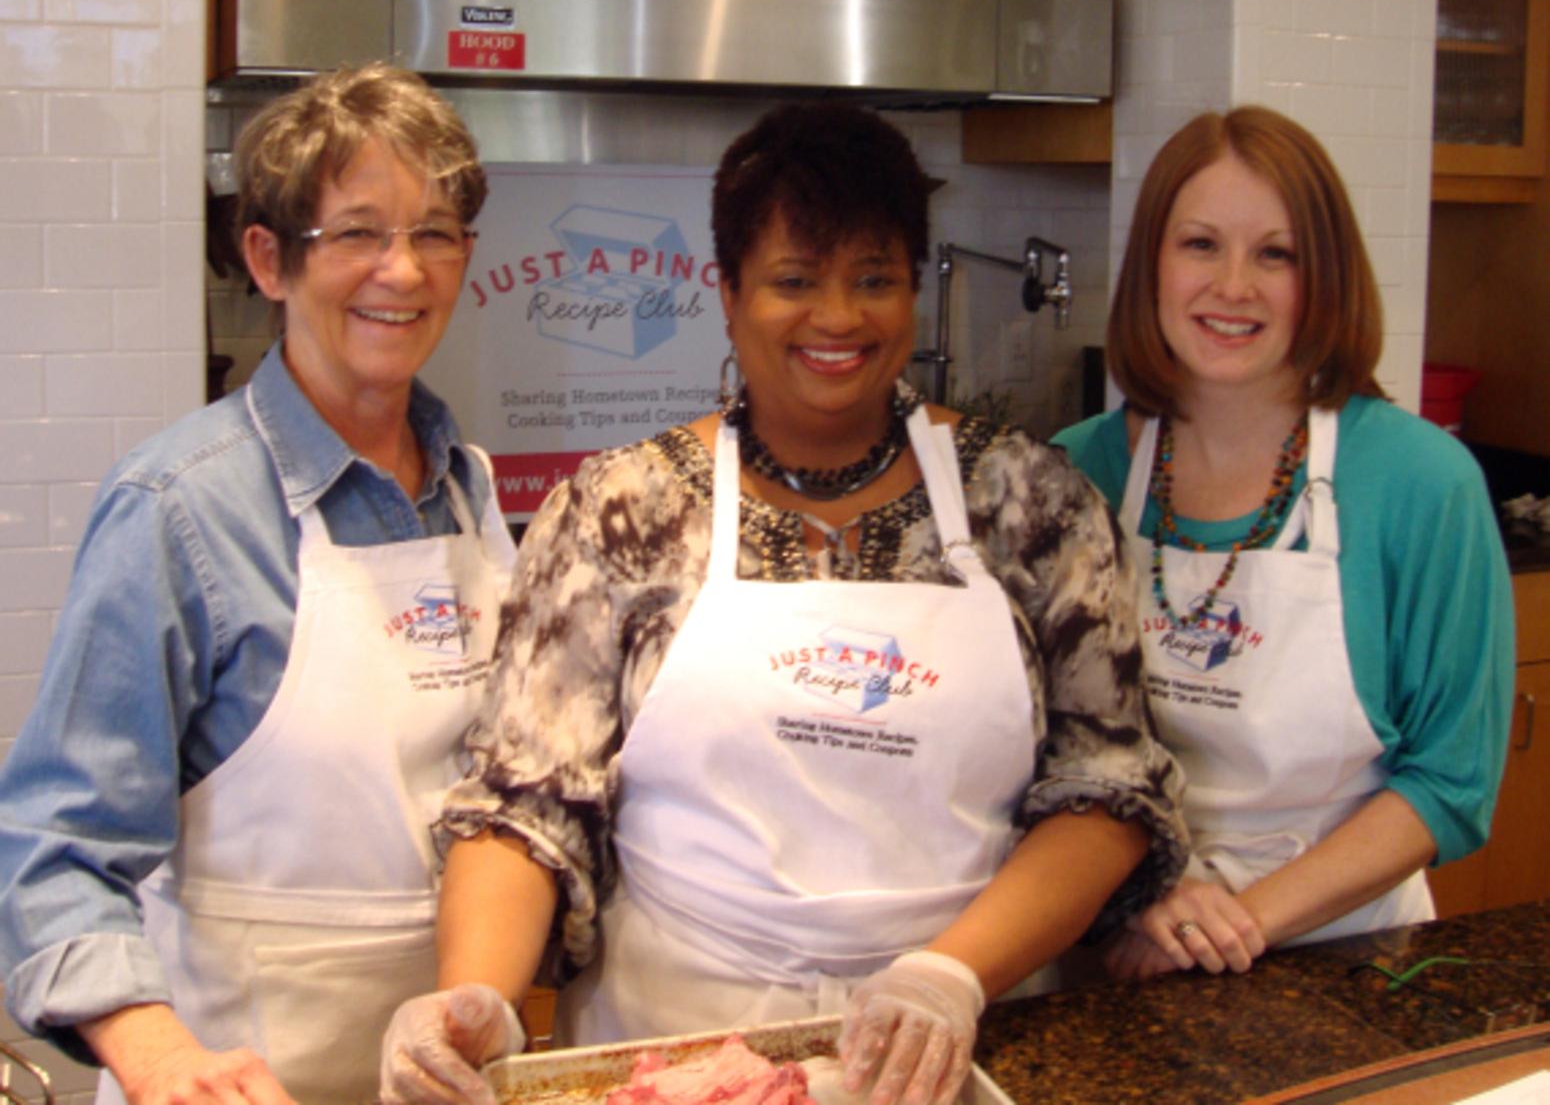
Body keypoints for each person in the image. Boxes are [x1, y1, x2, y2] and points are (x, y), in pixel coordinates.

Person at [378, 102, 1189, 1105]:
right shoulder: (621, 509)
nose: (838, 317)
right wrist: (477, 999)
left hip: (963, 1043)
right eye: (794, 280)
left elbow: (1105, 787)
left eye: (874, 279)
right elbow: (527, 800)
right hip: (673, 1052)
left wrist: (946, 974)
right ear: (726, 293)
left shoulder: (1031, 505)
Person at [0, 63, 515, 1104]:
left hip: (444, 1076)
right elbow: (52, 856)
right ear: (269, 260)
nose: (402, 272)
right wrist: (161, 1060)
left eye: (434, 232)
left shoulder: (468, 486)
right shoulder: (178, 508)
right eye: (358, 232)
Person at [1052, 106, 1514, 981]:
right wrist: (1147, 899)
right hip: (1115, 948)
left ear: (1326, 278)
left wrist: (1228, 927)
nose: (1234, 285)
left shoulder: (1421, 483)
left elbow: (1451, 783)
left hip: (1349, 957)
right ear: (1151, 261)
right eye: (1199, 245)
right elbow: (1035, 750)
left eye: (1278, 254)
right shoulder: (1076, 474)